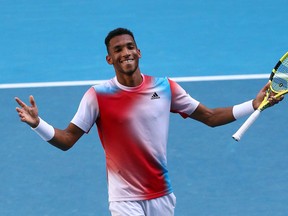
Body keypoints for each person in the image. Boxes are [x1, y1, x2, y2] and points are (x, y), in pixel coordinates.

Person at [15, 27, 282, 216]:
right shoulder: (96, 96)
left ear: (139, 52)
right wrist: (38, 124)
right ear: (110, 59)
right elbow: (66, 140)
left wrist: (254, 104)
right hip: (124, 198)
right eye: (118, 50)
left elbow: (210, 117)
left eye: (130, 47)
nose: (125, 53)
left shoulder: (165, 88)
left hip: (162, 194)